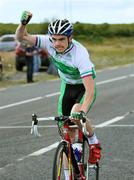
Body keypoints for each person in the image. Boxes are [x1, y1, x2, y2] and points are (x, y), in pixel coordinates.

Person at [16, 11, 101, 179]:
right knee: (65, 135)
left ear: (70, 37)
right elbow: (21, 38)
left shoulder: (80, 54)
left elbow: (90, 90)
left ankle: (93, 143)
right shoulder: (49, 42)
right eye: (54, 39)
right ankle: (70, 174)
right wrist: (23, 23)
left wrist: (82, 111)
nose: (57, 43)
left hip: (83, 88)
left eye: (61, 39)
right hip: (67, 86)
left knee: (76, 114)